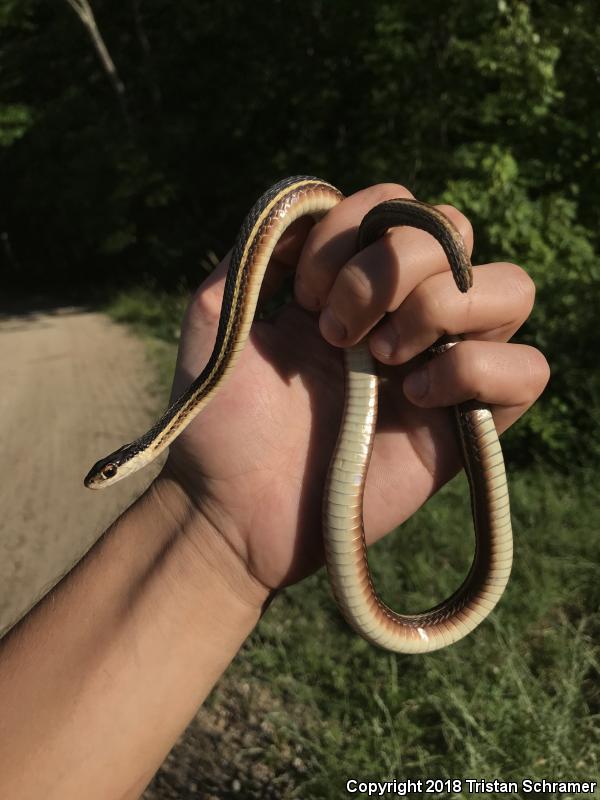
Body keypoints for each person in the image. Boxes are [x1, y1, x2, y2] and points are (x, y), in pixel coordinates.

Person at [0, 184, 549, 799]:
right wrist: (212, 530)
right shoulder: (201, 423)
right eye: (108, 473)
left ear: (130, 459)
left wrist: (213, 532)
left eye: (109, 471)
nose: (105, 478)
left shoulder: (201, 397)